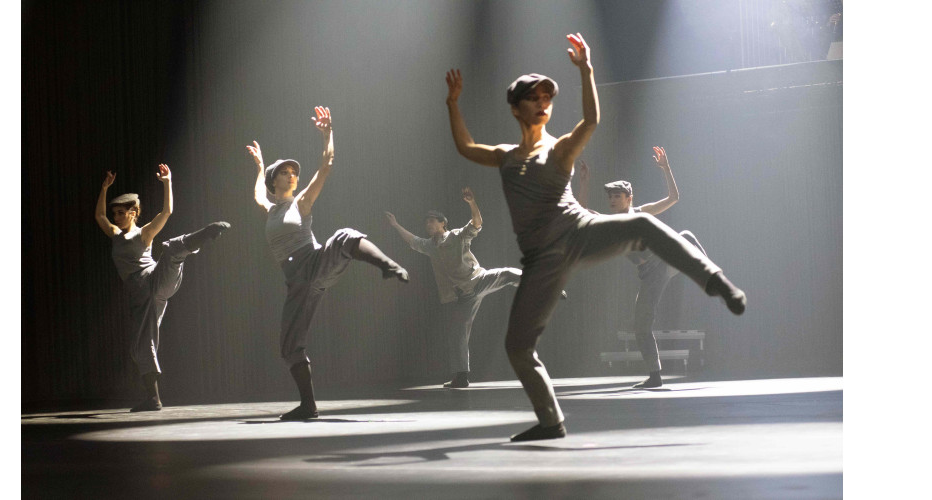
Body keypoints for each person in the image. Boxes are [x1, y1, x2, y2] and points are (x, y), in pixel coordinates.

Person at [445, 33, 746, 441]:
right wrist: (452, 102)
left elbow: (590, 122)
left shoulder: (560, 149)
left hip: (579, 232)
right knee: (518, 347)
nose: (542, 103)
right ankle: (551, 423)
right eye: (533, 98)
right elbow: (465, 147)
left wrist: (586, 71)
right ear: (516, 108)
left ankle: (715, 281)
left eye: (546, 98)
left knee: (641, 224)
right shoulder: (504, 156)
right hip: (540, 259)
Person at [247, 106, 409, 421]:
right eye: (285, 172)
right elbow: (256, 195)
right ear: (273, 181)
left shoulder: (302, 202)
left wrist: (328, 134)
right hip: (297, 282)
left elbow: (326, 165)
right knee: (289, 345)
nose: (292, 175)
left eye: (294, 172)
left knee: (344, 235)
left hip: (315, 262)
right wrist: (260, 165)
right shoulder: (269, 208)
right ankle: (308, 406)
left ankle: (388, 266)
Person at [95, 164, 230, 412]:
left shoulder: (144, 234)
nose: (116, 217)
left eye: (121, 212)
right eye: (115, 213)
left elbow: (166, 211)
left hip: (154, 279)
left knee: (171, 249)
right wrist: (104, 188)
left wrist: (167, 182)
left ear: (134, 213)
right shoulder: (115, 234)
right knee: (142, 345)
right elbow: (99, 217)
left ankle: (205, 233)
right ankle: (154, 399)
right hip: (143, 295)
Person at [577, 149, 710, 389]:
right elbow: (581, 214)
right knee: (641, 324)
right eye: (610, 197)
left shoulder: (641, 212)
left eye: (617, 196)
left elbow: (673, 198)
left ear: (629, 198)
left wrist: (666, 169)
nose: (612, 200)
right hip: (650, 276)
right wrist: (584, 182)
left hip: (666, 259)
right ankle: (655, 376)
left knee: (686, 236)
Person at [384, 187, 522, 389]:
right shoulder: (429, 245)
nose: (428, 224)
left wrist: (472, 203)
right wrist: (396, 225)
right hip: (460, 297)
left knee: (508, 273)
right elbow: (412, 241)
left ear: (443, 224)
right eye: (427, 221)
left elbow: (476, 224)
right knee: (457, 335)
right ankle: (461, 377)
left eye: (432, 221)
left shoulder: (457, 236)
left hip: (476, 281)